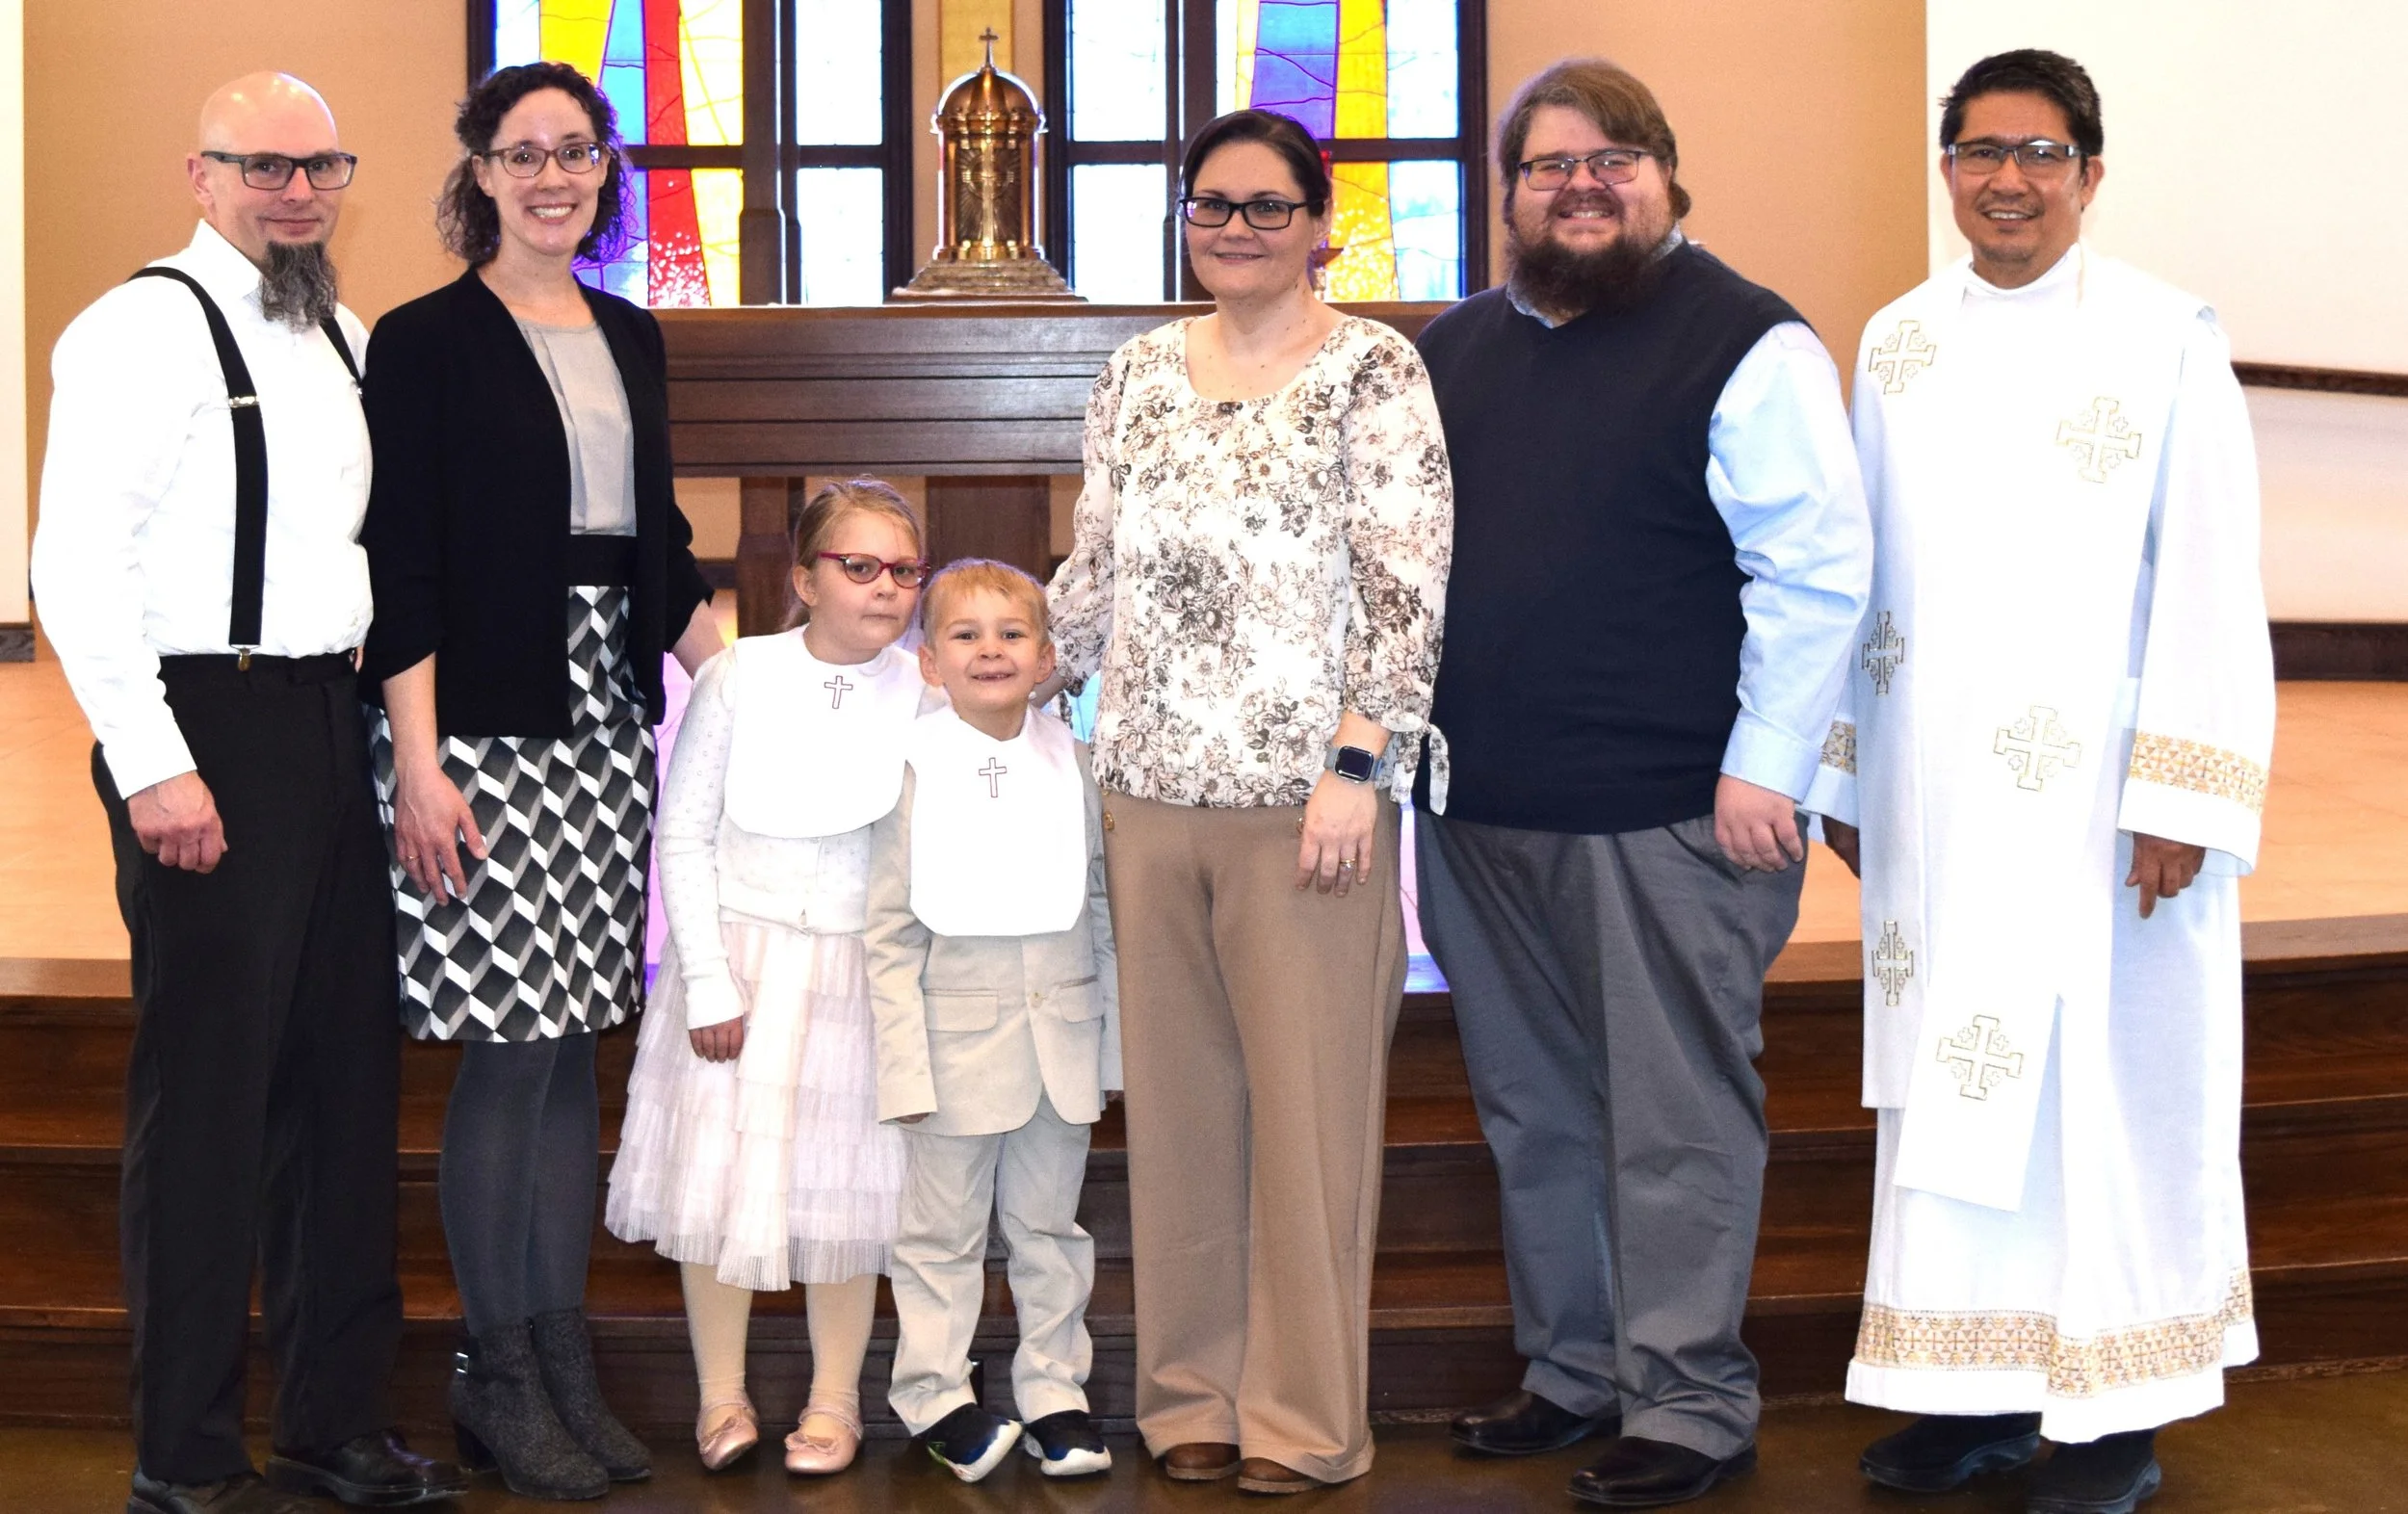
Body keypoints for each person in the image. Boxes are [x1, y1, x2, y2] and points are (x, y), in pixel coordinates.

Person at [1409, 58, 1872, 1509]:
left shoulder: (1748, 343)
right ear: (1510, 198)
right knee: (1536, 1111)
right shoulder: (1451, 349)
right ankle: (1574, 1371)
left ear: (1669, 179)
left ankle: (1689, 1401)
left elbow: (1816, 574)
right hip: (1481, 808)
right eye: (1551, 166)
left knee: (1672, 1119)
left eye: (1614, 160)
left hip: (1675, 808)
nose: (1583, 185)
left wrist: (1767, 770)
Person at [1816, 51, 2273, 1514]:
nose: (2008, 178)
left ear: (2089, 172)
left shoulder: (2163, 338)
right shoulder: (1895, 342)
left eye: (2042, 152)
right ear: (1947, 167)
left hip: (2096, 808)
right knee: (1952, 1101)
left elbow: (2209, 570)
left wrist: (2183, 793)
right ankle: (1976, 1388)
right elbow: (1859, 570)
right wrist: (1841, 764)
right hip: (1943, 799)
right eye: (1980, 150)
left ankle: (2117, 1414)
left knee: (2100, 1100)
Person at [29, 73, 466, 1514]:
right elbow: (75, 563)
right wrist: (154, 762)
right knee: (208, 1107)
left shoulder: (338, 331)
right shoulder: (140, 328)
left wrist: (398, 747)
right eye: (266, 166)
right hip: (200, 722)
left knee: (342, 1096)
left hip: (321, 722)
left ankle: (333, 1428)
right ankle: (187, 1453)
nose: (298, 190)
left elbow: (358, 562)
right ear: (202, 174)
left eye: (320, 165)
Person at [1047, 107, 1452, 1493]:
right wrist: (999, 678)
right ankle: (1188, 1401)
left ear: (1318, 222)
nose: (1236, 228)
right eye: (1212, 205)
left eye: (1267, 206)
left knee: (1309, 1120)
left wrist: (1357, 765)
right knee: (1178, 1117)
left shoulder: (1374, 372)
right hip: (1150, 791)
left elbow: (1406, 589)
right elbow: (1094, 570)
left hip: (1307, 806)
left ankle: (1306, 1419)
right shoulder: (1139, 373)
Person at [357, 61, 721, 1500]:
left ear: (602, 172)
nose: (554, 176)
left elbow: (655, 546)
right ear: (480, 173)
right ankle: (496, 1374)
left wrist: (754, 674)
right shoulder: (427, 339)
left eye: (577, 152)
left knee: (574, 1044)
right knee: (507, 1054)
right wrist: (418, 762)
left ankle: (559, 1361)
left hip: (598, 718)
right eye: (525, 154)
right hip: (481, 721)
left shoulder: (631, 334)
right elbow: (404, 555)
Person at [606, 480, 928, 1476]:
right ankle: (721, 1396)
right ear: (804, 578)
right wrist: (705, 978)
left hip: (855, 975)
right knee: (718, 1183)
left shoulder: (923, 690)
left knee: (846, 1196)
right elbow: (686, 831)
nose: (886, 589)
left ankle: (835, 1400)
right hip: (736, 961)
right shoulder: (740, 676)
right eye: (860, 566)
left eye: (905, 570)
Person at [866, 560, 1120, 1484]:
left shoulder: (1074, 762)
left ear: (1047, 656)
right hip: (949, 1049)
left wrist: (1112, 1045)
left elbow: (1098, 909)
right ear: (929, 662)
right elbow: (888, 936)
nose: (991, 650)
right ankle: (936, 1393)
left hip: (1062, 1040)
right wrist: (901, 1066)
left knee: (1052, 1231)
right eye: (965, 635)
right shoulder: (911, 772)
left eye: (1012, 634)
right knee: (942, 1239)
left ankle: (1056, 1390)